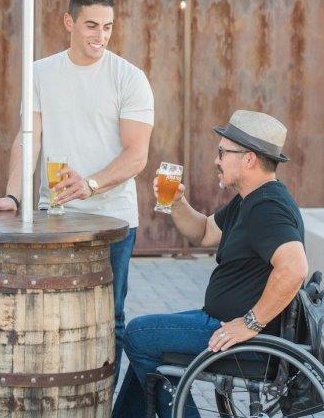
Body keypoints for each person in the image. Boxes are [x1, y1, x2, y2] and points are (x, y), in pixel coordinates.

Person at [0, 0, 154, 382]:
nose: (100, 36)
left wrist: (92, 184)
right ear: (69, 22)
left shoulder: (129, 78)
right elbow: (26, 139)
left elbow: (137, 155)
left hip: (112, 219)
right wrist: (15, 195)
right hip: (57, 216)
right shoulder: (40, 72)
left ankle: (100, 403)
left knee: (110, 319)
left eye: (108, 27)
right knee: (51, 318)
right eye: (91, 26)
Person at [112, 109, 309, 418]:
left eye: (222, 152)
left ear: (248, 159)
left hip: (246, 339)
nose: (216, 160)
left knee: (138, 334)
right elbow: (203, 232)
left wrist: (249, 323)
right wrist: (176, 203)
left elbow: (295, 268)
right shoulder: (250, 199)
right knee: (149, 343)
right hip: (219, 320)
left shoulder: (268, 207)